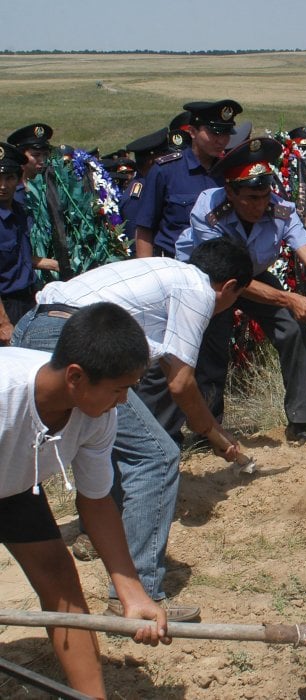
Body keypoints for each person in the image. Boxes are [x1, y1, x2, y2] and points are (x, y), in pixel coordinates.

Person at [12, 238, 253, 619]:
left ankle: (97, 539)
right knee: (156, 455)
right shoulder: (197, 290)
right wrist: (215, 435)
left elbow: (169, 367)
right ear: (228, 287)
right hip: (71, 342)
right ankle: (141, 592)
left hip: (35, 325)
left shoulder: (165, 270)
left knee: (108, 445)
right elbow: (181, 383)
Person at [1, 303, 168, 697]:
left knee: (60, 579)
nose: (124, 400)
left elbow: (96, 502)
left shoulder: (97, 414)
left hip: (13, 488)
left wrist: (132, 591)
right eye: (118, 388)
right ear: (76, 377)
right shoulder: (5, 395)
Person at [175, 137, 306, 443]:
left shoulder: (282, 211)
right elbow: (224, 276)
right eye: (250, 198)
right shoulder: (207, 211)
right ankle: (207, 430)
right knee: (212, 347)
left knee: (294, 330)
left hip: (253, 275)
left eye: (264, 196)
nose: (259, 205)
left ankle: (300, 423)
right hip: (207, 280)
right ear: (230, 193)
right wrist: (289, 297)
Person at [135, 100, 242, 257]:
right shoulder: (166, 171)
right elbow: (145, 228)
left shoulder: (230, 172)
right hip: (175, 265)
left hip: (220, 267)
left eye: (226, 133)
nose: (221, 140)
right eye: (214, 133)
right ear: (192, 132)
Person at [1, 143, 58, 341]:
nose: (3, 186)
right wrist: (3, 323)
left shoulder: (18, 212)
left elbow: (19, 256)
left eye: (9, 178)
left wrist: (52, 264)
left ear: (17, 178)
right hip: (4, 306)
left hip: (26, 300)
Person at [6, 123, 53, 204]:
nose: (42, 160)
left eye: (45, 154)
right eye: (36, 155)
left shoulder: (53, 185)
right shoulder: (9, 186)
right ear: (21, 156)